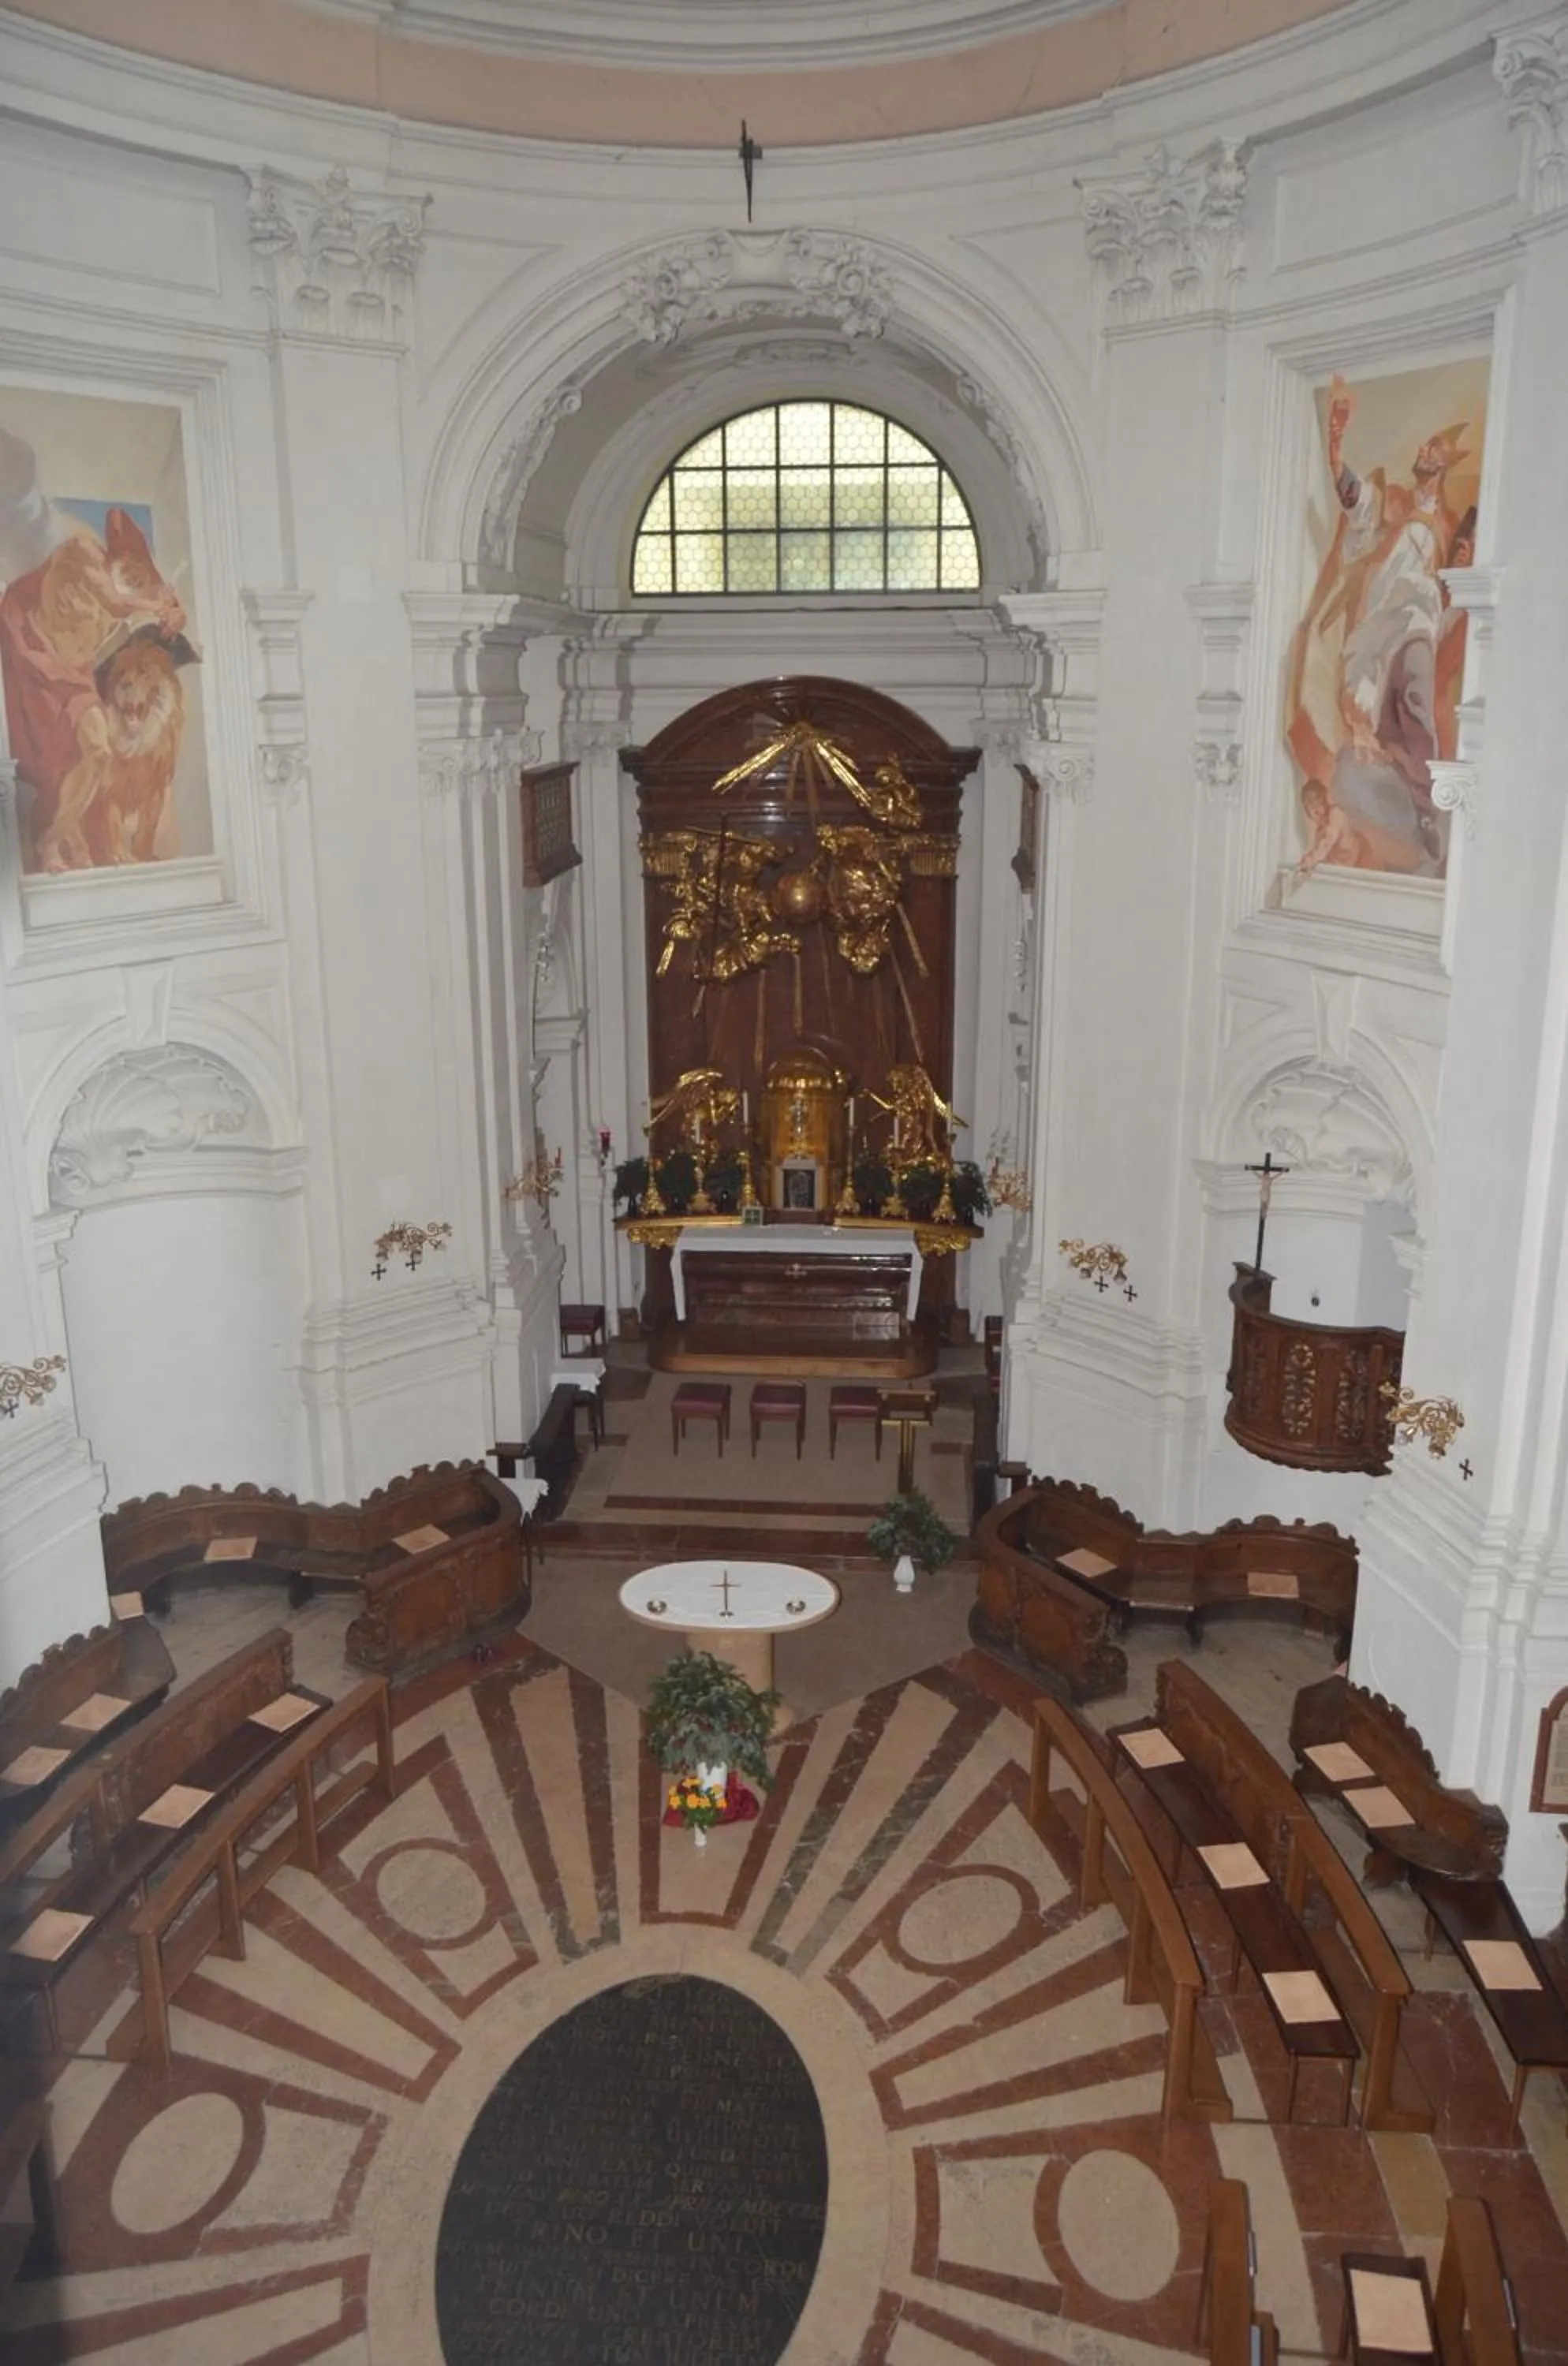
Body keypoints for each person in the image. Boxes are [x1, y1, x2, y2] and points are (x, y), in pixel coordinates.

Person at [1286, 374, 1472, 876]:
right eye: (1425, 448)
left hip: (1415, 631)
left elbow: (1448, 594)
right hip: (1376, 640)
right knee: (1378, 733)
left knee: (1417, 709)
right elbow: (1354, 498)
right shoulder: (1392, 518)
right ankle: (1409, 809)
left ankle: (1428, 809)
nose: (1424, 453)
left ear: (1443, 466)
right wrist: (1336, 450)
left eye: (1434, 451)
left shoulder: (1438, 527)